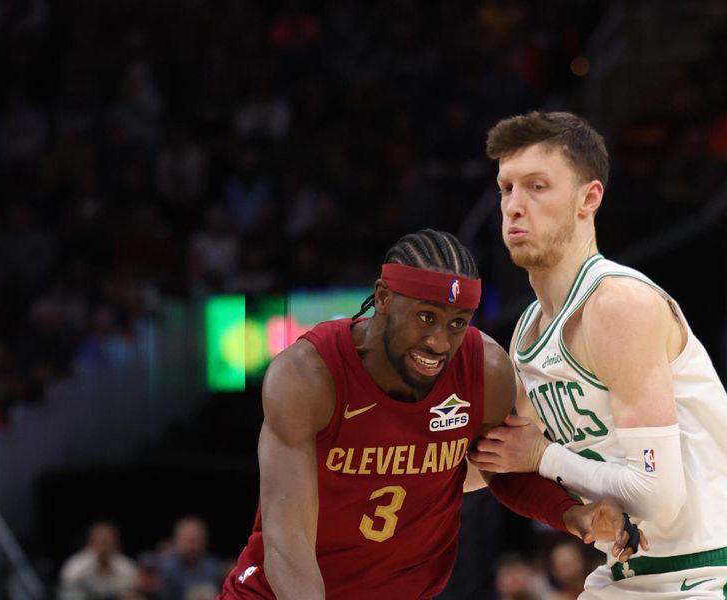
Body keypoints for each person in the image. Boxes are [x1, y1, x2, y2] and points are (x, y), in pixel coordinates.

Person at [218, 229, 644, 600]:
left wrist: (572, 514)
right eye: (427, 318)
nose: (440, 342)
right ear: (383, 298)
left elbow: (502, 468)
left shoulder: (485, 370)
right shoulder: (308, 375)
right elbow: (286, 538)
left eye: (457, 323)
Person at [471, 110, 727, 598]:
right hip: (628, 574)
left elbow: (659, 497)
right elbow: (499, 462)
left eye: (537, 186)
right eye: (506, 188)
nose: (514, 206)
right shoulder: (527, 335)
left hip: (706, 572)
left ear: (589, 198)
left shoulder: (616, 304)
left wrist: (543, 455)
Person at [58, 521, 138, 599]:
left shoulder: (127, 568)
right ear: (90, 544)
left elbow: (133, 593)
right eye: (100, 543)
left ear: (116, 545)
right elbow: (67, 594)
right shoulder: (75, 567)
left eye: (108, 543)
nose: (104, 549)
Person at [158, 516, 223, 600]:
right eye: (187, 541)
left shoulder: (215, 568)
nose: (191, 547)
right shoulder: (164, 568)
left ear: (205, 541)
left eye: (196, 541)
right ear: (176, 541)